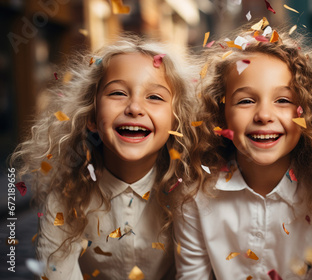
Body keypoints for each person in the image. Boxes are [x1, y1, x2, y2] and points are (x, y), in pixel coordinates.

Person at [10, 35, 196, 279]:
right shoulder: (65, 199)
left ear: (176, 120)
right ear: (91, 116)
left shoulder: (190, 194)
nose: (135, 108)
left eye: (154, 97)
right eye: (118, 93)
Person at [173, 22, 312, 280]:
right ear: (221, 115)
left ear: (307, 112)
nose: (264, 115)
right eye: (246, 101)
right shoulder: (193, 195)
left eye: (283, 100)